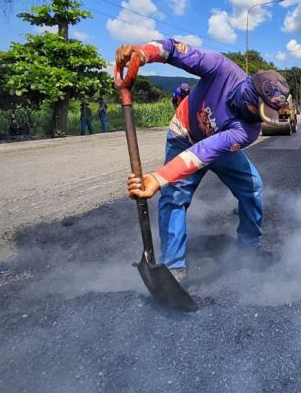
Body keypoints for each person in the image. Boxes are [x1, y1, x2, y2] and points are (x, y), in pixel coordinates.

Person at [117, 39, 290, 283]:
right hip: (184, 134)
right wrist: (143, 54)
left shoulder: (248, 131)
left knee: (252, 187)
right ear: (250, 94)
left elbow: (204, 153)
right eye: (259, 110)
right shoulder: (220, 68)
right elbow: (174, 50)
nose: (259, 119)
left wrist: (158, 177)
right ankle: (173, 267)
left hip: (214, 146)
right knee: (175, 196)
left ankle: (249, 249)